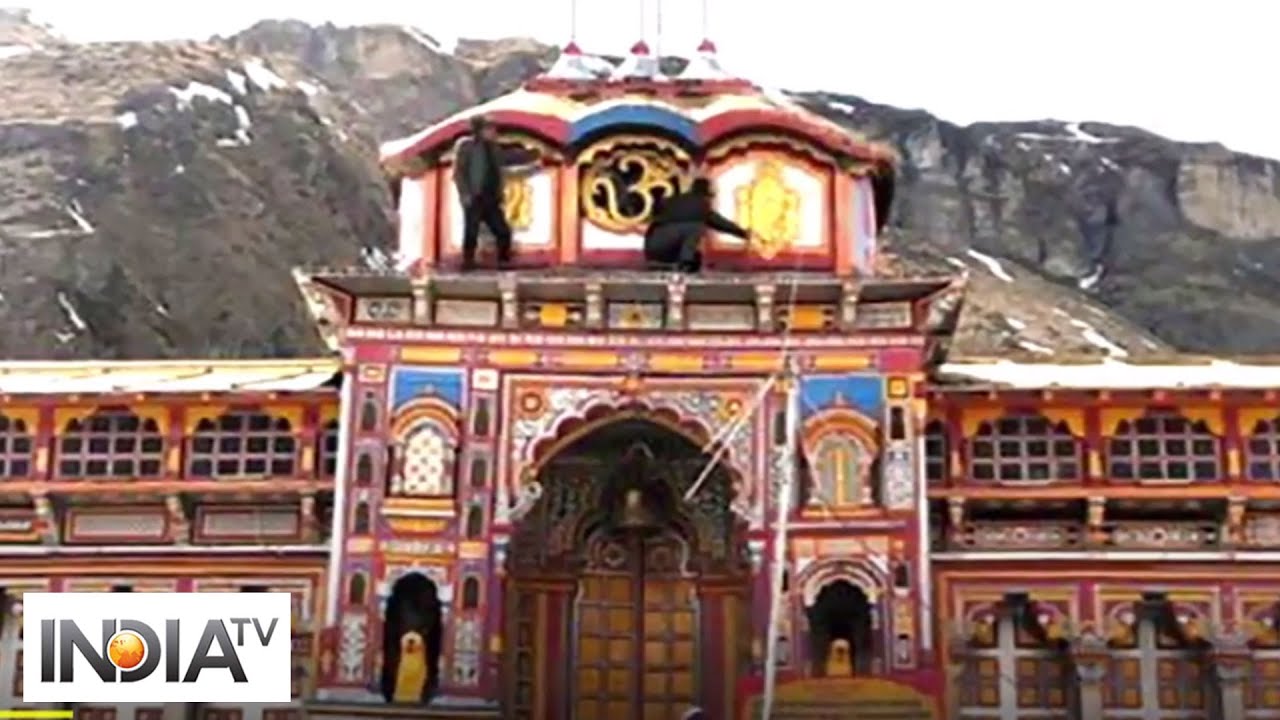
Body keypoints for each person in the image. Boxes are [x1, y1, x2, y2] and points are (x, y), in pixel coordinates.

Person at [643, 177, 753, 272]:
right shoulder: (700, 204)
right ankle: (686, 262)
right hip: (664, 245)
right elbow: (719, 223)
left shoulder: (678, 200)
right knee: (696, 226)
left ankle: (683, 261)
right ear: (705, 194)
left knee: (693, 230)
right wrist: (743, 233)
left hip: (653, 246)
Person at [453, 115, 513, 270]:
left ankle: (503, 261)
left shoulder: (494, 148)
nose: (493, 132)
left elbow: (505, 163)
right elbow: (459, 172)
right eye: (489, 129)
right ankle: (468, 261)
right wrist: (464, 193)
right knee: (471, 230)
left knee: (503, 231)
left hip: (491, 197)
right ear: (480, 130)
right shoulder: (466, 146)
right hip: (474, 195)